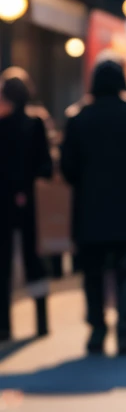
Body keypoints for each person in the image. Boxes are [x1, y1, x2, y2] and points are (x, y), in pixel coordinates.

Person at [60, 54, 126, 355]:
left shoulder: (78, 119)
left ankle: (97, 331)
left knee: (92, 273)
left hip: (89, 213)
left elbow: (67, 169)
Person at [0, 68, 53, 343]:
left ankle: (3, 326)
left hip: (3, 202)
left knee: (3, 265)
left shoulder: (2, 125)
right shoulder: (36, 123)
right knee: (36, 260)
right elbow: (46, 166)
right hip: (32, 203)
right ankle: (42, 321)